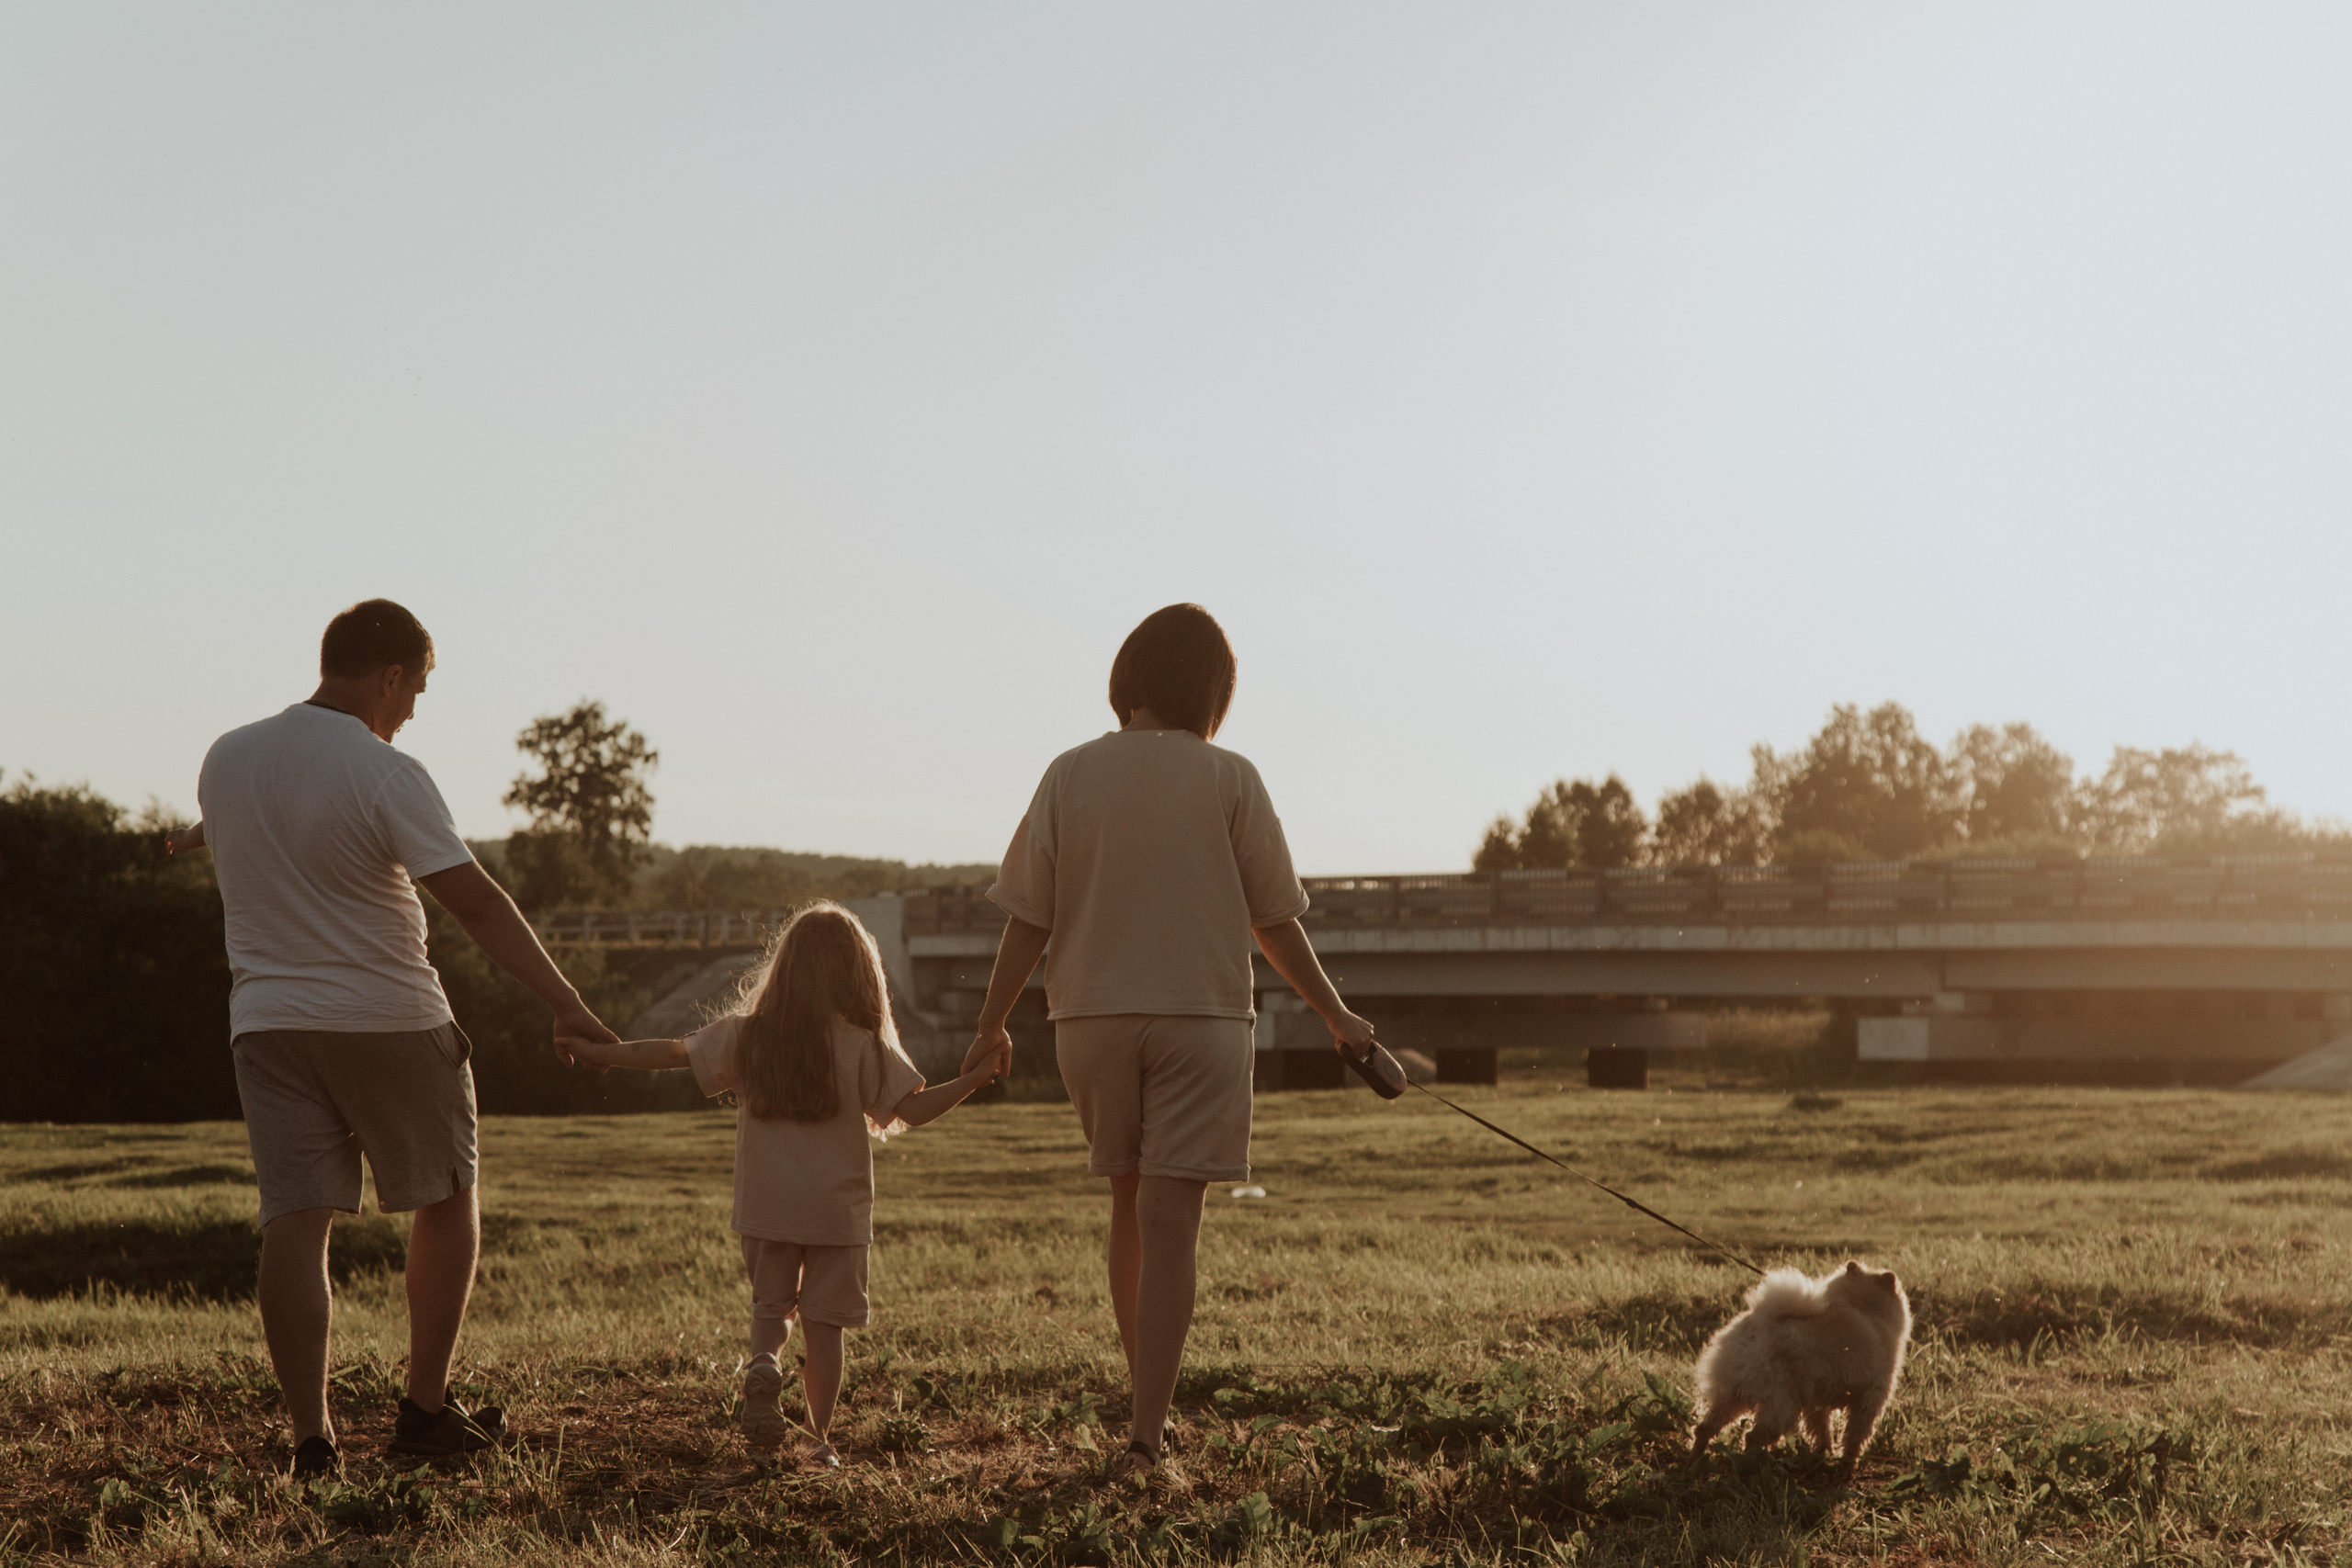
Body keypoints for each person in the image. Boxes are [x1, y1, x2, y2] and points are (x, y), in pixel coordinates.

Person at [190, 598, 619, 1478]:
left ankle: (312, 1438)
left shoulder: (226, 756)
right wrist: (566, 999)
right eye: (417, 686)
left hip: (267, 1025)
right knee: (447, 1195)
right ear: (389, 675)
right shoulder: (387, 770)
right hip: (388, 1017)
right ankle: (425, 1408)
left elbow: (260, 818)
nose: (415, 707)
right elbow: (475, 902)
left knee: (294, 1223)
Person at [961, 602, 1375, 1484]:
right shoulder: (1231, 778)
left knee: (1127, 1204)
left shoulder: (1068, 774)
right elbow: (1276, 923)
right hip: (1201, 1019)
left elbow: (1027, 920)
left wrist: (992, 1022)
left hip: (1091, 1021)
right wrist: (1339, 1017)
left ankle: (1142, 1404)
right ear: (1210, 691)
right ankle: (1148, 1433)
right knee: (1172, 1219)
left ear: (1130, 678)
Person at [562, 901, 1006, 1465]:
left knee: (770, 1308)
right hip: (836, 1214)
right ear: (858, 973)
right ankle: (818, 1442)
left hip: (766, 1206)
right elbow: (912, 1112)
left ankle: (765, 1364)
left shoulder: (748, 1036)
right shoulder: (861, 1043)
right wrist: (974, 1078)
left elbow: (672, 1053)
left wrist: (601, 1051)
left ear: (786, 967)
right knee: (825, 1331)